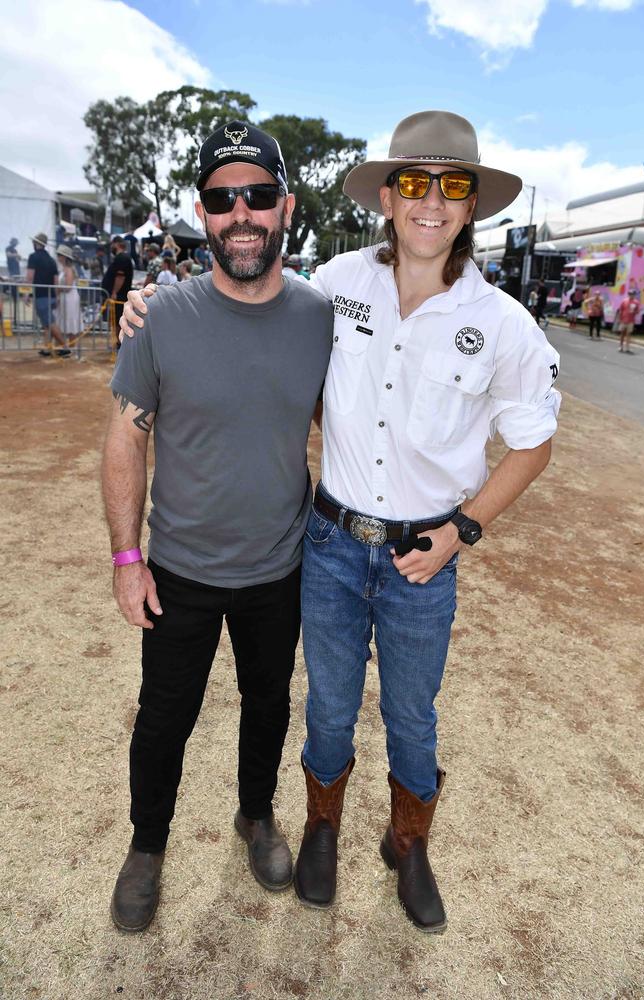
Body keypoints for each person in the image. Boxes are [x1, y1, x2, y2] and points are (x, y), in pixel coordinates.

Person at [121, 110, 561, 934]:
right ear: (388, 199)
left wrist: (461, 531)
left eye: (453, 186)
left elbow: (534, 443)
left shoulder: (506, 325)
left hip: (421, 558)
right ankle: (320, 825)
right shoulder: (337, 285)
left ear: (472, 207)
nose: (432, 201)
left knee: (412, 713)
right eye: (415, 184)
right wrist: (146, 308)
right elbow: (248, 305)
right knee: (324, 704)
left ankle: (408, 841)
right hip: (325, 543)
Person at [103, 121, 333, 933]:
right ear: (203, 214)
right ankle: (146, 845)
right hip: (181, 570)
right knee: (165, 715)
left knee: (268, 703)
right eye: (222, 197)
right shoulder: (160, 317)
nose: (242, 213)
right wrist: (129, 558)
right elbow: (127, 434)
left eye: (258, 196)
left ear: (286, 209)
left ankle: (255, 815)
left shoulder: (320, 316)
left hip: (280, 567)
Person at [25, 233, 70, 357]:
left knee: (49, 322)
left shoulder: (33, 257)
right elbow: (55, 281)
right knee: (46, 323)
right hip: (51, 296)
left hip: (41, 296)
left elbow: (29, 277)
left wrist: (26, 293)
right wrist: (56, 297)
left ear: (36, 243)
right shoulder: (51, 260)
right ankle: (47, 348)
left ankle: (65, 347)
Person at [101, 238, 133, 348]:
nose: (111, 247)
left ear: (117, 244)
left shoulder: (122, 258)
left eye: (112, 244)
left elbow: (120, 277)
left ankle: (121, 345)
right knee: (116, 321)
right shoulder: (120, 258)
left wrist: (114, 292)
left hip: (119, 296)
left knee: (119, 321)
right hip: (118, 296)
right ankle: (120, 344)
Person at [56, 245, 82, 346]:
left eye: (59, 255)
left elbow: (68, 286)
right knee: (65, 321)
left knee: (71, 321)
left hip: (69, 298)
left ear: (64, 257)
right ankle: (67, 346)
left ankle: (72, 346)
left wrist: (58, 288)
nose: (58, 257)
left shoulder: (69, 269)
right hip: (65, 297)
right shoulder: (64, 269)